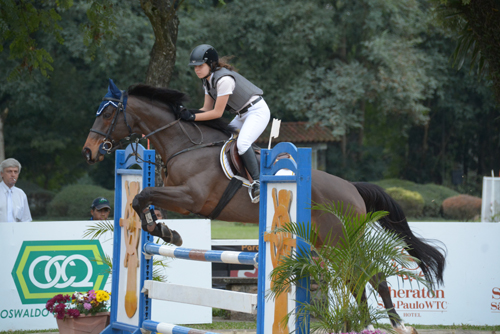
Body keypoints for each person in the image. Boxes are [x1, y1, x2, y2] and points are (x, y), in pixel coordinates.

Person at [180, 44, 270, 203]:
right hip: (242, 114)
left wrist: (192, 117)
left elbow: (216, 113)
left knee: (242, 143)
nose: (197, 70)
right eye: (195, 67)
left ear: (211, 64)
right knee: (225, 140)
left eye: (200, 66)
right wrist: (186, 114)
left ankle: (257, 183)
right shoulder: (207, 81)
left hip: (257, 111)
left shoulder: (224, 80)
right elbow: (206, 109)